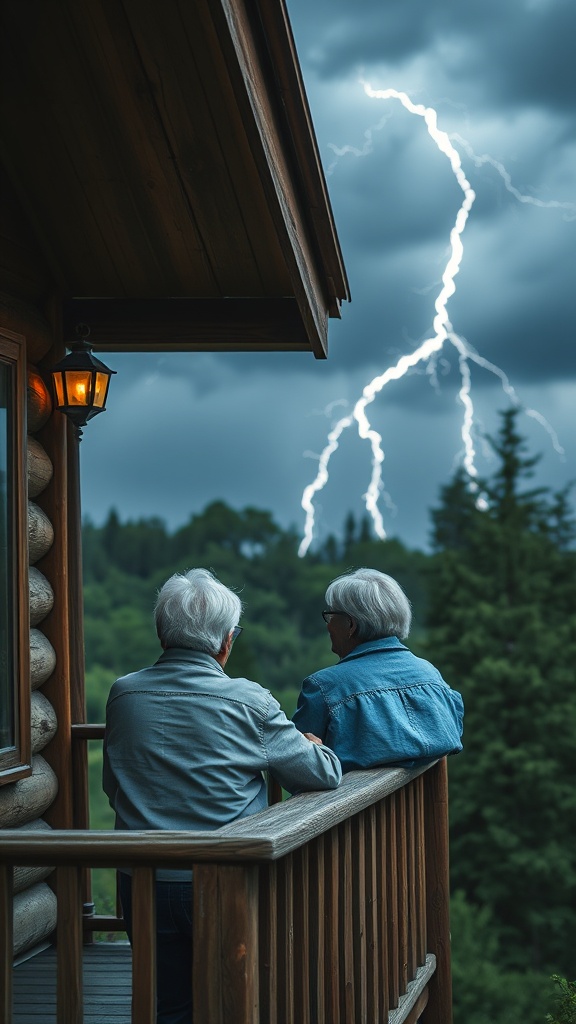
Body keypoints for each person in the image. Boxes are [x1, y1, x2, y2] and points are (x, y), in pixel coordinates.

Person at [102, 568, 341, 1024]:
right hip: (222, 880)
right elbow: (323, 775)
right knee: (236, 1002)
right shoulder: (249, 701)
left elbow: (113, 785)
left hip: (141, 879)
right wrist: (313, 744)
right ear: (226, 642)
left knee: (167, 1006)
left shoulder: (123, 695)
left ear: (161, 632)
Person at [292, 567, 463, 773]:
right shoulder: (431, 674)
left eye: (331, 616)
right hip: (426, 805)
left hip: (355, 806)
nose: (328, 626)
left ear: (350, 625)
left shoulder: (324, 687)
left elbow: (296, 768)